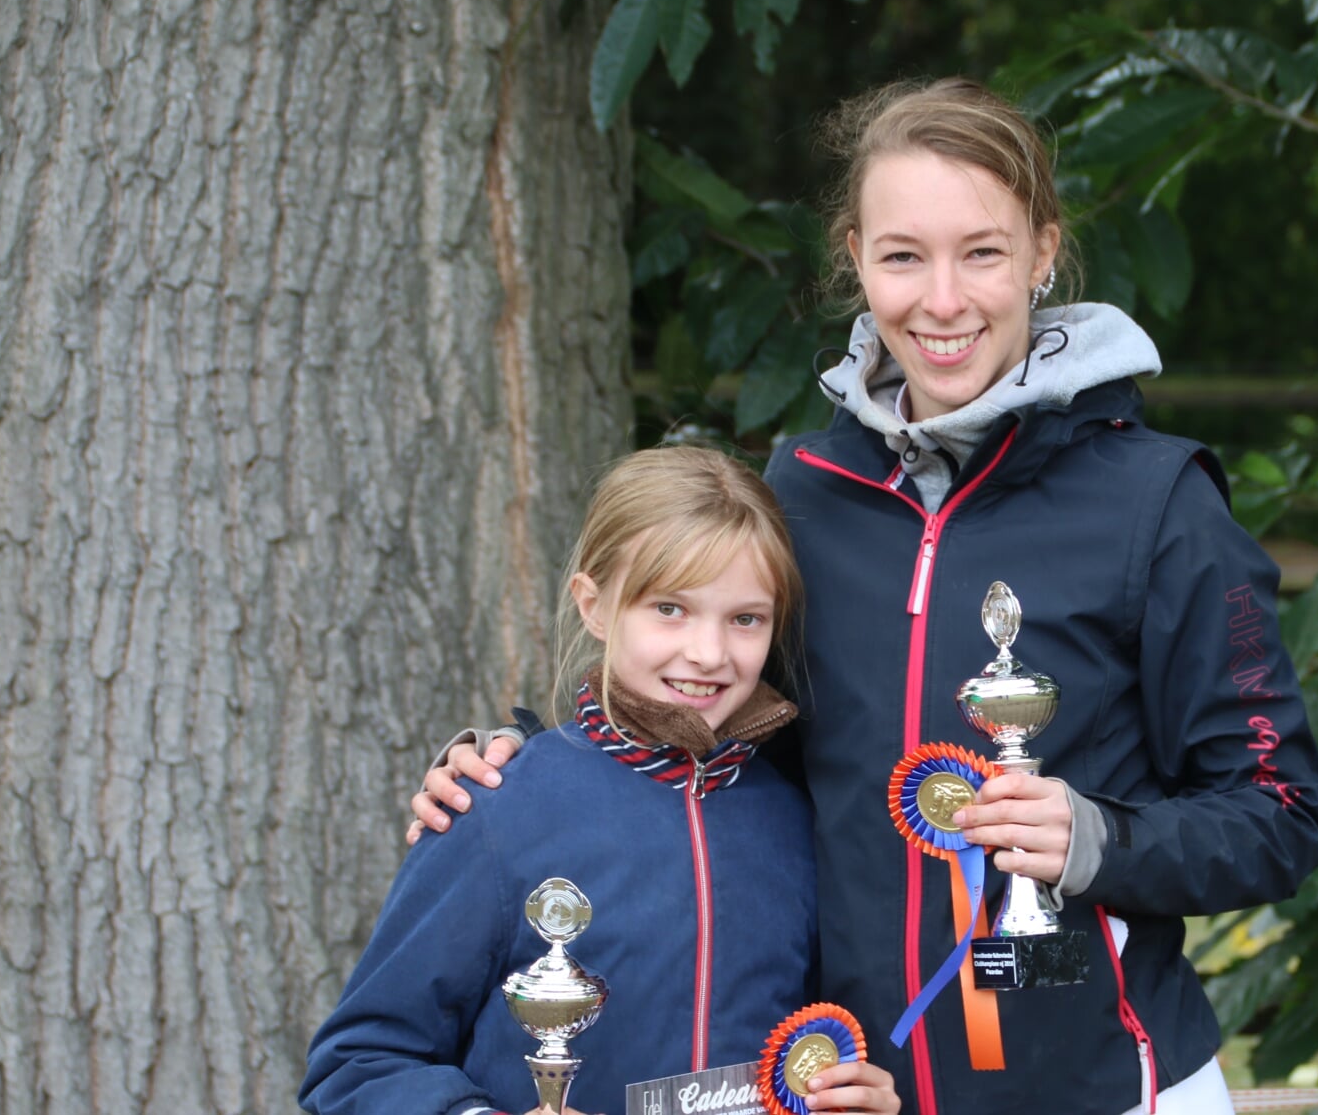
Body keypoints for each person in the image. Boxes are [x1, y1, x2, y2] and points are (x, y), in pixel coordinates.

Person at [412, 78, 1318, 1115]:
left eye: (982, 252)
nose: (943, 300)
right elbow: (713, 727)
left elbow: (1278, 816)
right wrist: (514, 769)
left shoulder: (1161, 501)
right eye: (903, 256)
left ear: (1043, 253)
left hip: (1114, 1086)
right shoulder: (800, 493)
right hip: (855, 1090)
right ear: (854, 259)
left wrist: (1094, 839)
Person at [302, 447, 900, 1115]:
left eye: (745, 618)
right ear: (594, 605)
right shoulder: (497, 806)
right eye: (669, 608)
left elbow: (814, 1039)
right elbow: (356, 1065)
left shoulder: (796, 816)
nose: (708, 653)